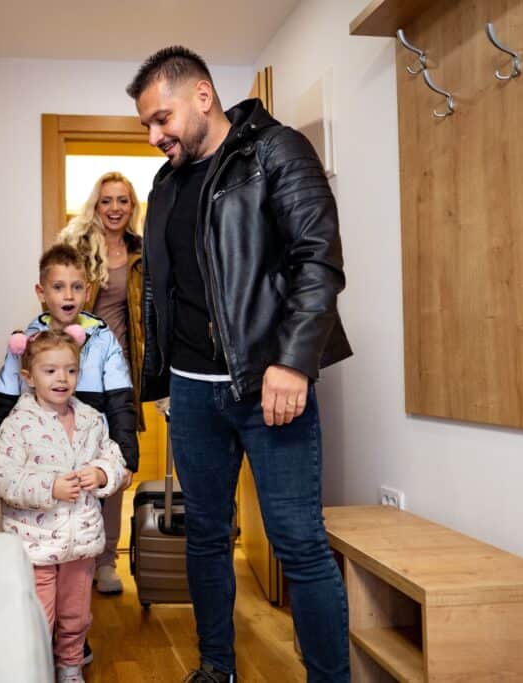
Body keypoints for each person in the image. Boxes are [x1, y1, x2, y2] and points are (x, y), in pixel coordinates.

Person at [127, 46, 353, 682]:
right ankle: (216, 667)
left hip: (269, 385)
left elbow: (318, 260)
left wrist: (293, 362)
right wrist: (169, 375)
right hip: (194, 394)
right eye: (146, 124)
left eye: (161, 118)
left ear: (203, 96)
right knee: (203, 535)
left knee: (297, 543)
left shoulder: (276, 151)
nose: (154, 136)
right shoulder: (165, 186)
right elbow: (164, 291)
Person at [0, 243, 140, 668]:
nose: (68, 295)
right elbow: (5, 406)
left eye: (76, 286)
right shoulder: (24, 343)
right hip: (39, 454)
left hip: (87, 436)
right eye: (59, 286)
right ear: (43, 292)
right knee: (41, 591)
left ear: (87, 290)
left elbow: (122, 399)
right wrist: (3, 464)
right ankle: (42, 654)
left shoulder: (101, 339)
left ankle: (70, 651)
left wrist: (123, 458)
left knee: (80, 562)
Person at [57, 171, 144, 595]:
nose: (114, 209)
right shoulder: (76, 247)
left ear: (132, 207)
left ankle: (107, 561)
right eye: (107, 200)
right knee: (73, 461)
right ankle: (75, 559)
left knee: (116, 464)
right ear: (96, 204)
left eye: (122, 201)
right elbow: (58, 299)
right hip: (76, 370)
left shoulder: (142, 254)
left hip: (120, 372)